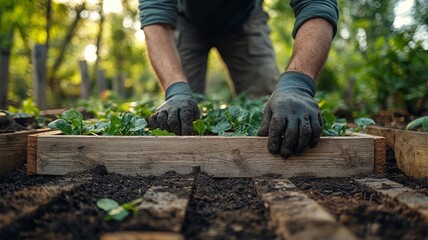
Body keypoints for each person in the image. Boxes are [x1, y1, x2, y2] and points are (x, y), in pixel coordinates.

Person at [138, 0, 339, 159]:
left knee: (274, 109)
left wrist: (298, 83)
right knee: (179, 117)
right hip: (186, 20)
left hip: (245, 18)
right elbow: (156, 16)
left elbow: (316, 4)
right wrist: (176, 91)